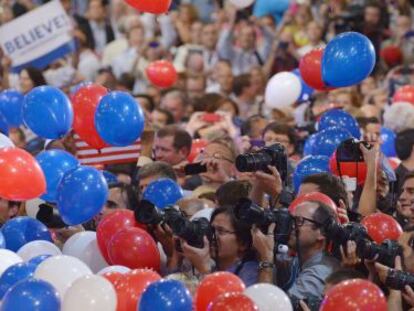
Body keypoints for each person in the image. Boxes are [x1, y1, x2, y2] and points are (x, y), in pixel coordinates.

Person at [252, 200, 340, 300]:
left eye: (299, 221)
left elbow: (271, 307)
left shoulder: (320, 273)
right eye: (290, 220)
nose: (290, 226)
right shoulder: (300, 260)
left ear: (321, 233)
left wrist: (266, 257)